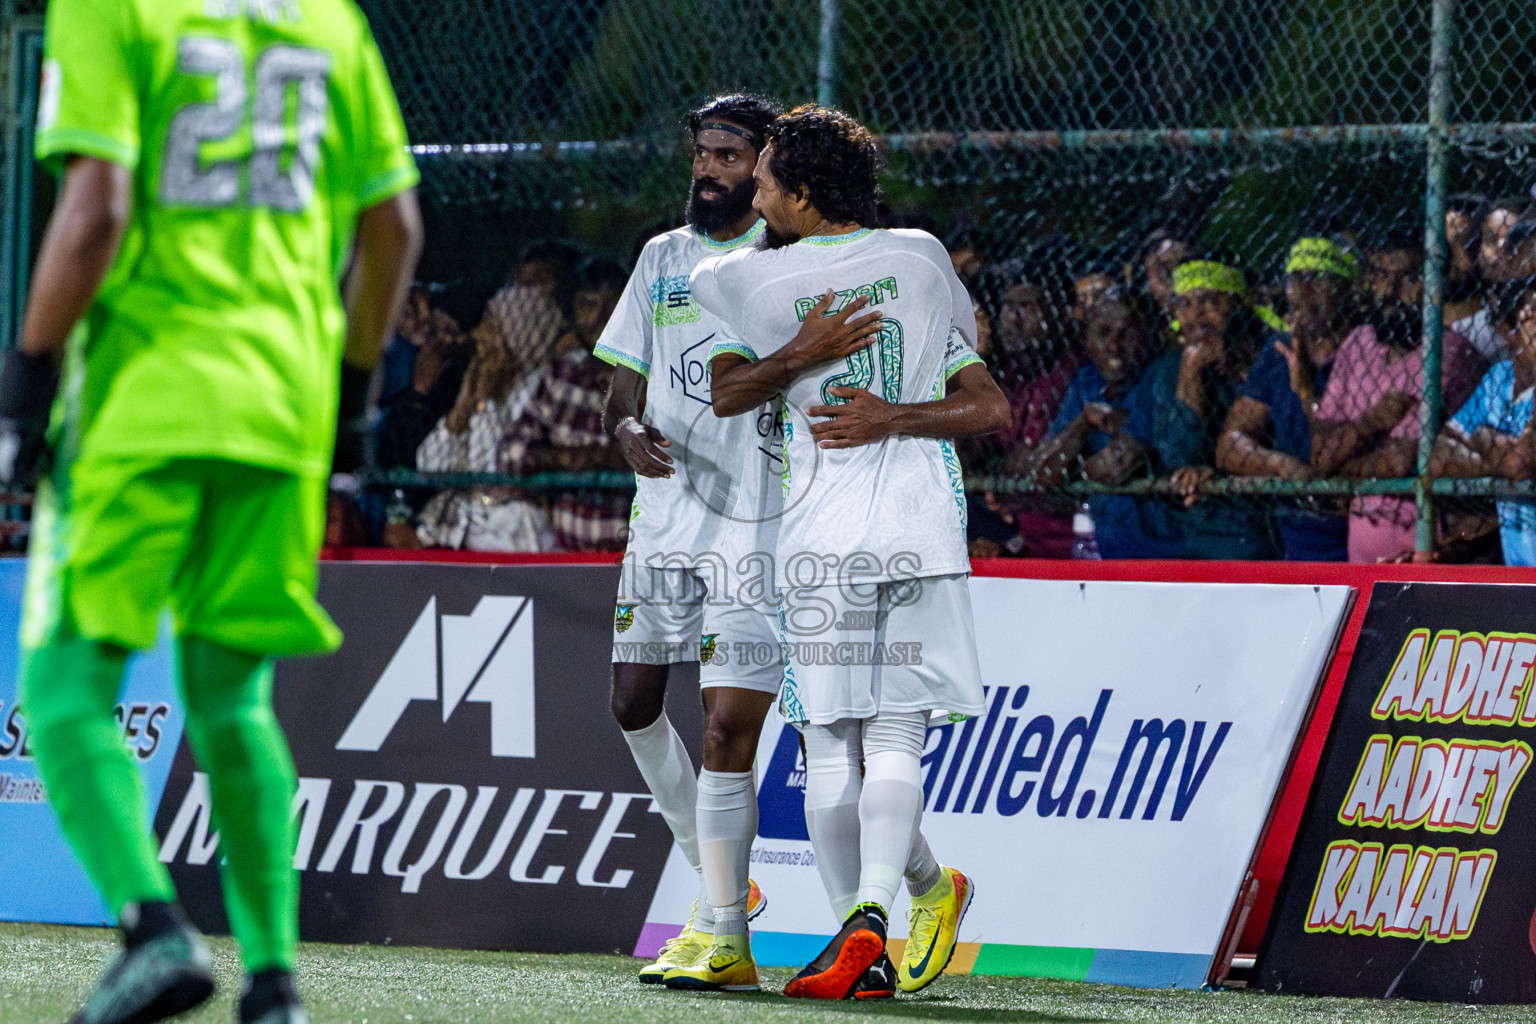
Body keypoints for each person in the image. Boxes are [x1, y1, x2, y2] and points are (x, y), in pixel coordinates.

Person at [5, 2, 422, 1023]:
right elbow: (395, 226)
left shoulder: (110, 9)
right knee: (232, 701)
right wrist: (355, 401)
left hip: (141, 404)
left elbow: (96, 208)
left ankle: (153, 930)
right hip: (283, 407)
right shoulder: (330, 22)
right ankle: (274, 984)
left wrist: (23, 384)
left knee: (62, 691)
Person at [696, 105, 1010, 999]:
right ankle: (886, 912)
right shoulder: (921, 257)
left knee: (831, 742)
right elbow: (987, 397)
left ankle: (862, 928)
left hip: (828, 533)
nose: (752, 193)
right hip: (918, 521)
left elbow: (723, 393)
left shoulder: (736, 282)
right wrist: (890, 408)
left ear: (799, 192)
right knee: (894, 735)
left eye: (764, 182)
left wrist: (814, 366)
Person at [594, 94, 788, 989]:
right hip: (662, 517)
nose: (705, 170)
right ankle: (716, 880)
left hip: (753, 525)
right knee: (633, 703)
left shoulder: (785, 260)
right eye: (700, 153)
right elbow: (618, 389)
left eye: (724, 155)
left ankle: (717, 918)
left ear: (762, 165)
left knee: (723, 727)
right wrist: (629, 432)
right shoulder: (661, 256)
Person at [1313, 241, 1486, 563]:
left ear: (1436, 284)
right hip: (1361, 543)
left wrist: (1339, 467)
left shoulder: (1449, 352)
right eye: (1381, 274)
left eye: (1408, 277)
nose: (1390, 290)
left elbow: (1398, 461)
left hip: (1423, 544)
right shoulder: (1359, 341)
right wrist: (1372, 422)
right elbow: (1319, 451)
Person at [1216, 237, 1369, 561]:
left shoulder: (1369, 349)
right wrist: (1281, 464)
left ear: (1346, 290)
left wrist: (1305, 389)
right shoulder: (1279, 351)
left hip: (1359, 536)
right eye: (1294, 279)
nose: (1301, 289)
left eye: (1316, 278)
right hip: (1297, 539)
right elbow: (1230, 443)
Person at [1125, 254, 1279, 559]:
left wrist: (1221, 476)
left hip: (1264, 516)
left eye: (1209, 302)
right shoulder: (1171, 368)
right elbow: (1177, 456)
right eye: (1186, 305)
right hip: (1200, 523)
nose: (1196, 315)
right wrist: (1191, 372)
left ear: (1235, 304)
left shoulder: (1269, 357)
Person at [1431, 278, 1536, 565]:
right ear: (1508, 332)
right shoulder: (1499, 378)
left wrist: (1480, 438)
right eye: (1533, 317)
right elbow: (1438, 456)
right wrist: (1496, 463)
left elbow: (1518, 463)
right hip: (1518, 568)